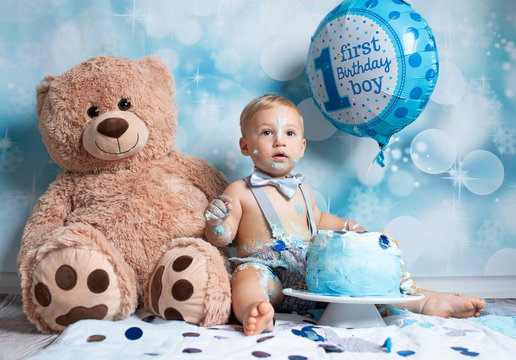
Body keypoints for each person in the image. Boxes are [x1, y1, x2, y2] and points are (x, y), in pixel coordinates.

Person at [204, 94, 485, 336]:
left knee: (362, 285)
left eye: (289, 134)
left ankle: (425, 302)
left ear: (301, 148)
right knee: (247, 278)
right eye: (267, 133)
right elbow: (223, 236)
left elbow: (317, 220)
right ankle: (255, 310)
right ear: (244, 146)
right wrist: (218, 222)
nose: (280, 141)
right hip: (269, 276)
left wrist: (349, 226)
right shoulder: (240, 191)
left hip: (311, 277)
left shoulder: (303, 189)